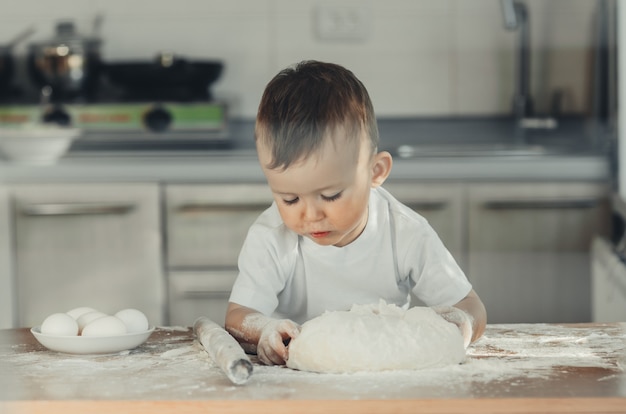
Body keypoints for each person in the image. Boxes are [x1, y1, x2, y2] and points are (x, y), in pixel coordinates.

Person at [225, 60, 487, 366]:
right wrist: (264, 331)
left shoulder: (404, 232)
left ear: (375, 172)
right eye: (289, 199)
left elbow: (470, 306)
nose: (310, 215)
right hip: (296, 382)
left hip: (385, 375)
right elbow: (237, 317)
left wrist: (461, 326)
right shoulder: (272, 238)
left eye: (330, 195)